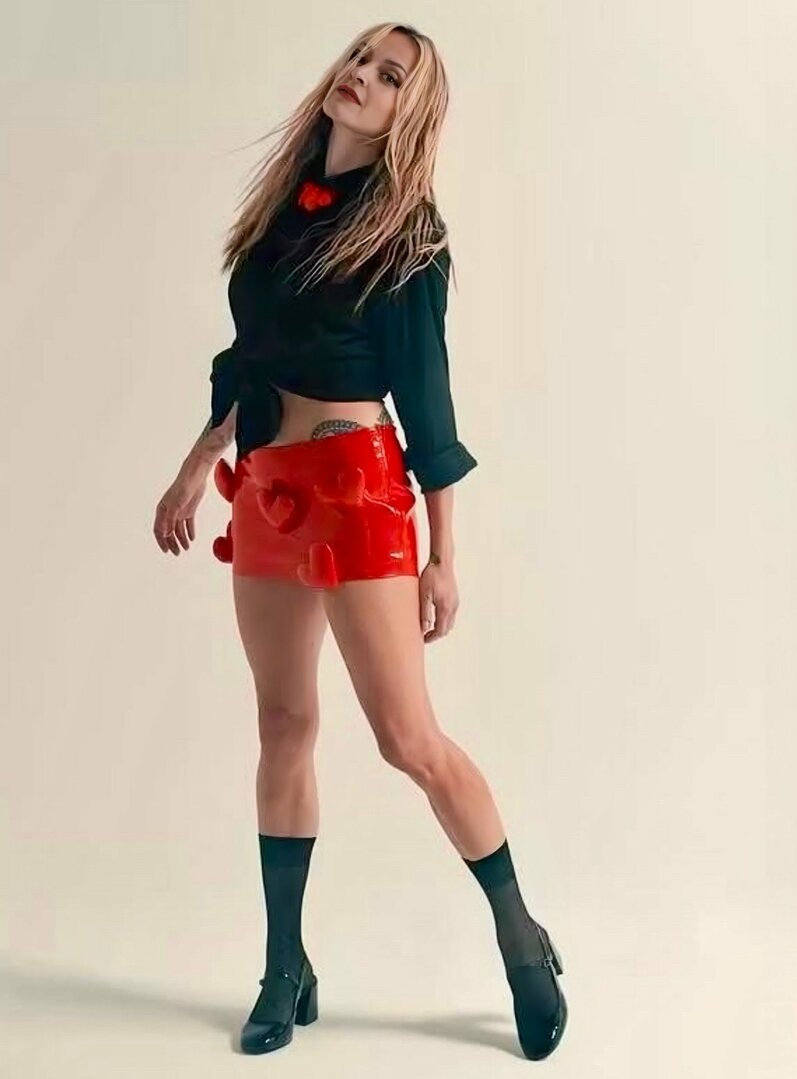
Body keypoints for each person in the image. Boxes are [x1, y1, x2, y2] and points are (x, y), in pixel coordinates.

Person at [153, 21, 566, 1061]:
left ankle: (519, 934)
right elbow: (249, 357)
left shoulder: (406, 234)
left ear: (405, 114)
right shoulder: (277, 214)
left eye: (390, 76)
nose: (362, 77)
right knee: (283, 723)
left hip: (358, 489)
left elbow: (427, 398)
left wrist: (444, 553)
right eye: (361, 59)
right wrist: (198, 464)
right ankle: (283, 965)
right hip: (266, 488)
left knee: (407, 739)